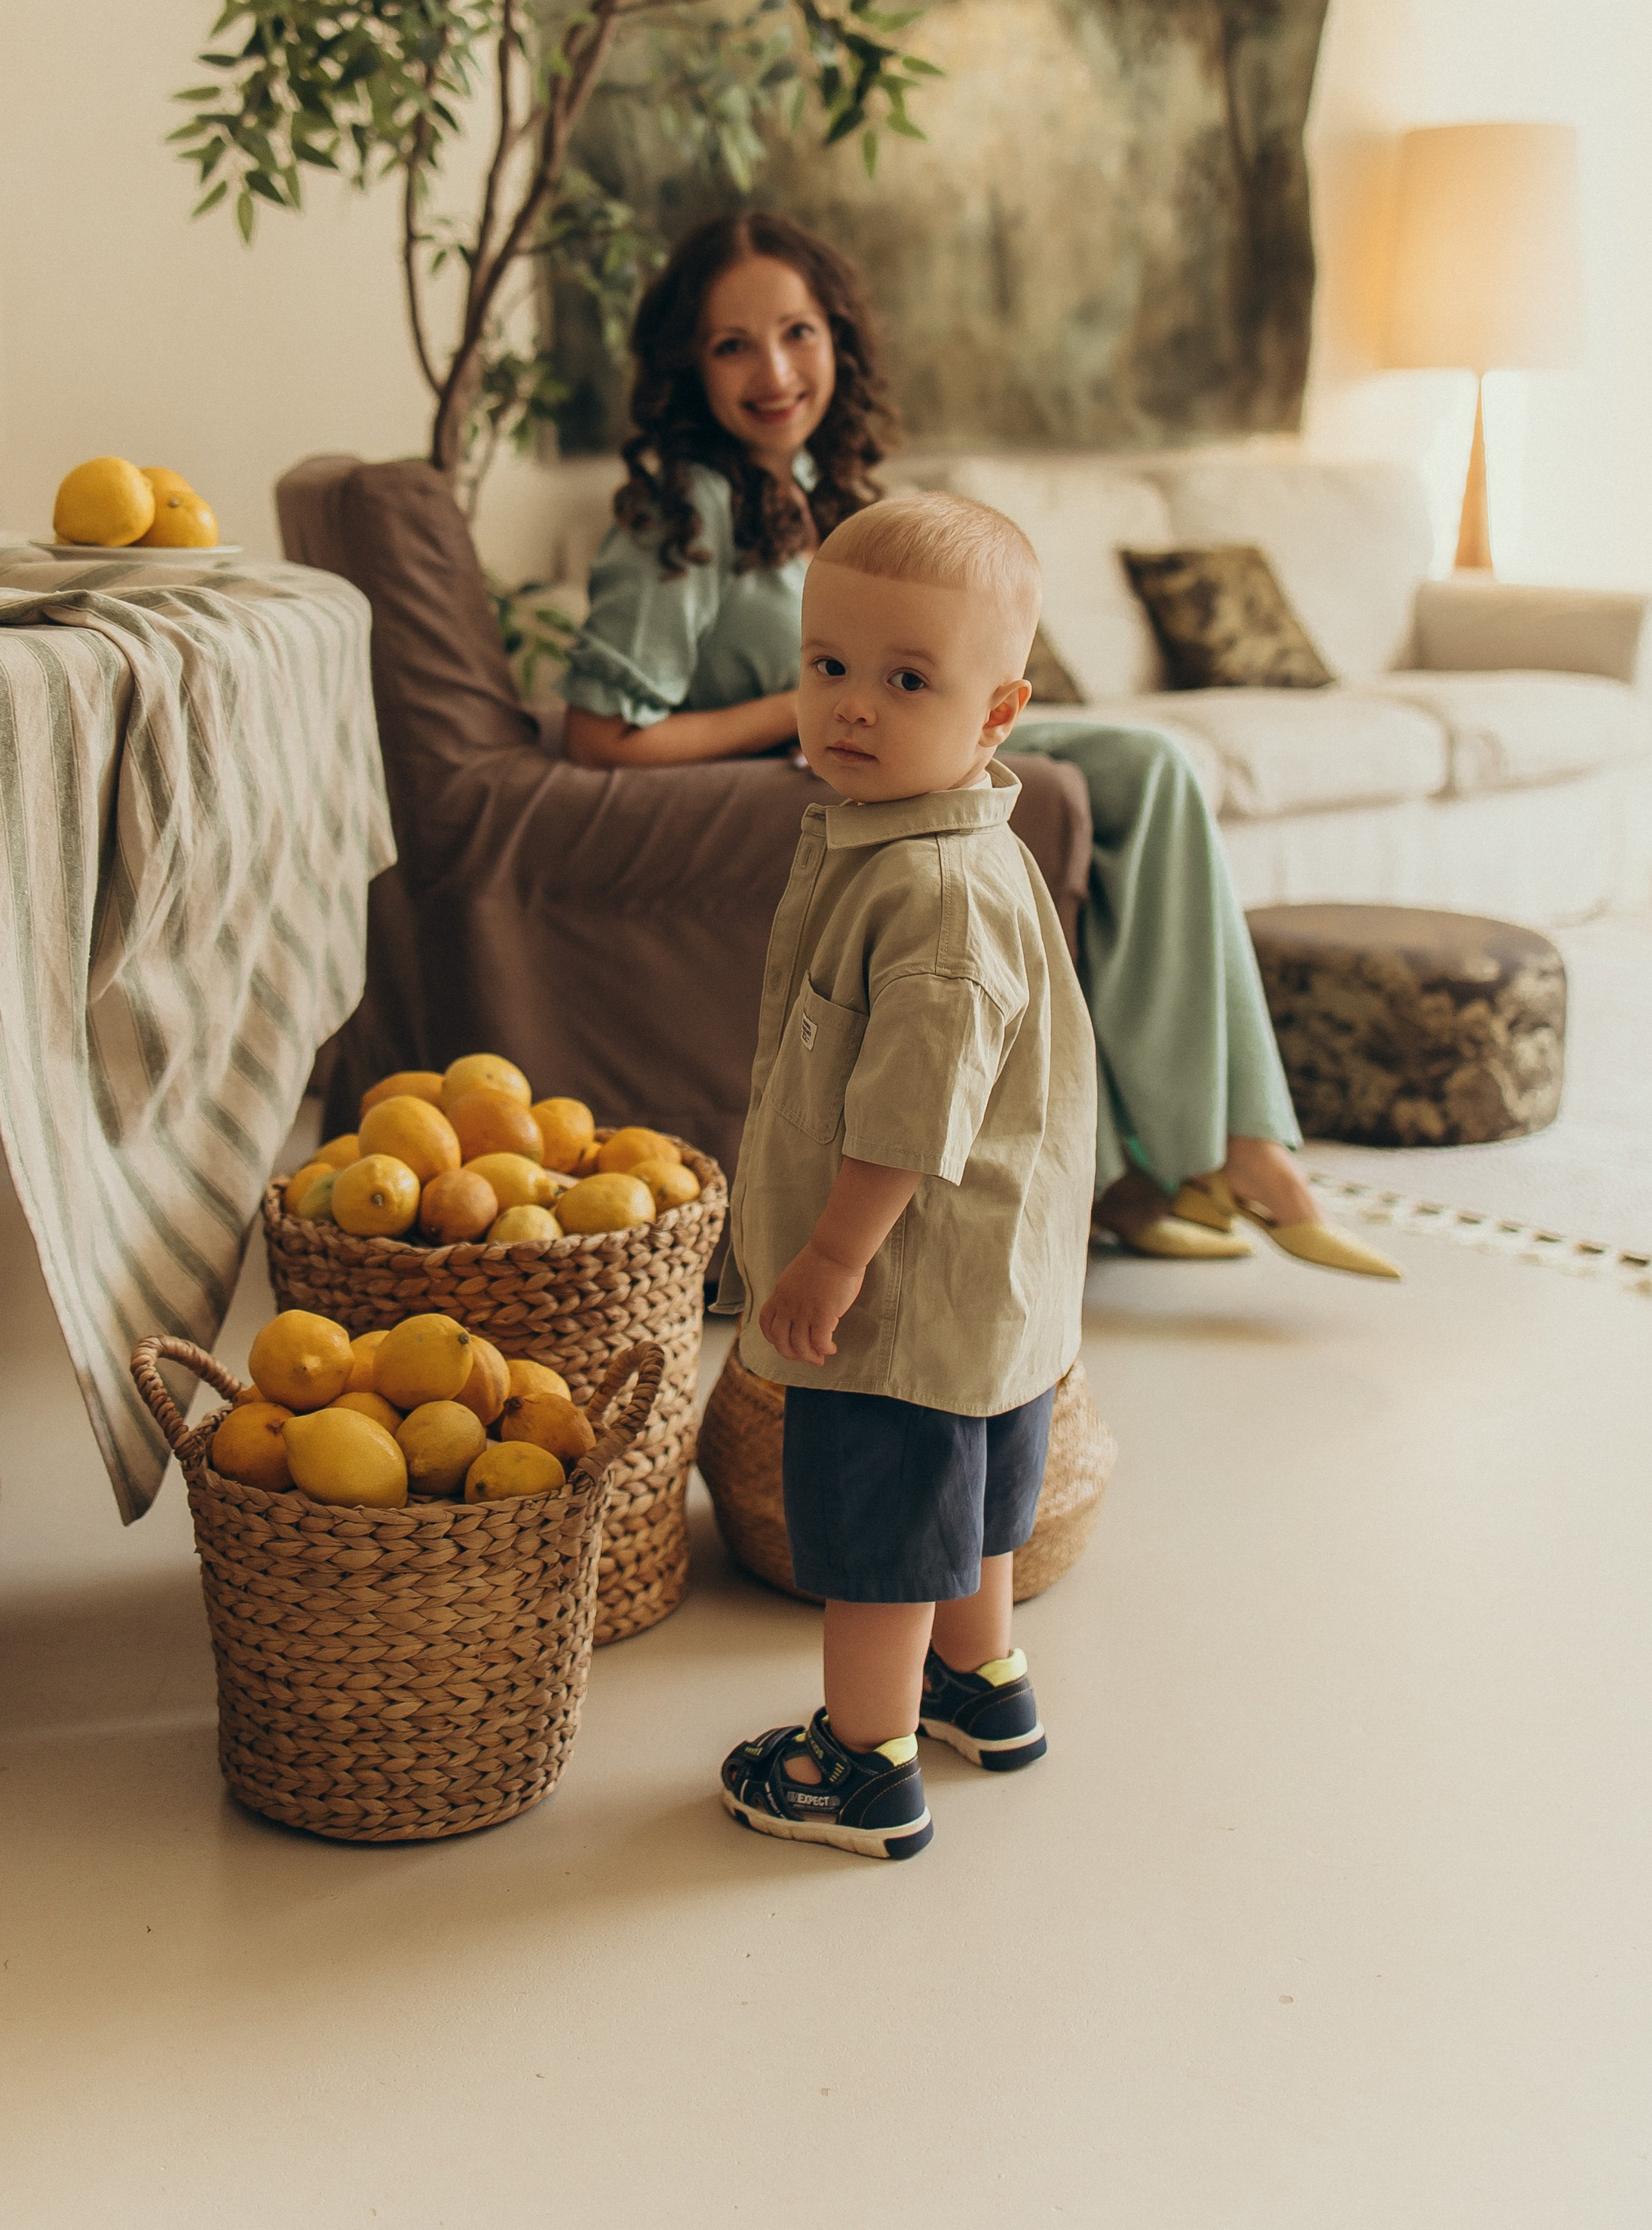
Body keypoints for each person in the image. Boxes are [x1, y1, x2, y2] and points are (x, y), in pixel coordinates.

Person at [560, 209, 1396, 1277]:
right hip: (835, 767)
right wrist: (796, 704)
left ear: (838, 338)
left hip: (920, 735)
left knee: (1150, 772)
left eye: (798, 332)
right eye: (733, 345)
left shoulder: (824, 484)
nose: (773, 370)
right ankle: (1221, 1153)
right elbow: (602, 738)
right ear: (692, 366)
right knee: (1143, 770)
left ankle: (1185, 1159)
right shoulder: (684, 509)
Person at [716, 491, 1095, 1859]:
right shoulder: (920, 847)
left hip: (902, 1283)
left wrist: (831, 1257)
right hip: (987, 1295)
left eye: (908, 680)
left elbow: (910, 1112)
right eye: (829, 668)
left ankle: (863, 1762)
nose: (852, 708)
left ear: (998, 714)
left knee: (883, 1522)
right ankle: (980, 1686)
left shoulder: (932, 893)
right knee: (980, 1493)